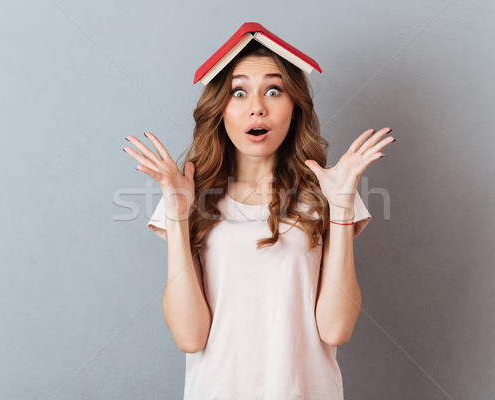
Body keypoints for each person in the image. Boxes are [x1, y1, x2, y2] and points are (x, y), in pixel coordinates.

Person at [124, 33, 395, 400]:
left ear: (294, 106)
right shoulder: (190, 196)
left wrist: (342, 207)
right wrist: (177, 216)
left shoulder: (327, 192)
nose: (257, 108)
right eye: (239, 93)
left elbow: (335, 330)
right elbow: (190, 337)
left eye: (273, 91)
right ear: (220, 109)